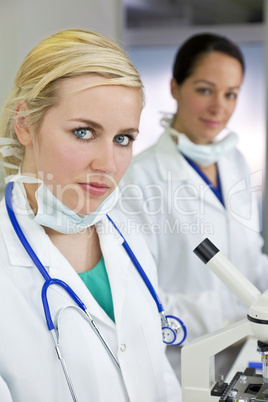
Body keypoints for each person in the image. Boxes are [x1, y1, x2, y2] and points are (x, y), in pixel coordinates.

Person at [0, 29, 181, 401]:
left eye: (123, 139)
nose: (108, 164)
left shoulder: (127, 236)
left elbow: (160, 379)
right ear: (24, 124)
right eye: (83, 132)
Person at [119, 33, 268, 380]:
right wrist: (229, 318)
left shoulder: (235, 161)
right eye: (205, 90)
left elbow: (250, 256)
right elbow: (140, 296)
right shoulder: (140, 178)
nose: (219, 107)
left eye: (230, 94)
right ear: (174, 87)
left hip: (247, 355)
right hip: (183, 367)